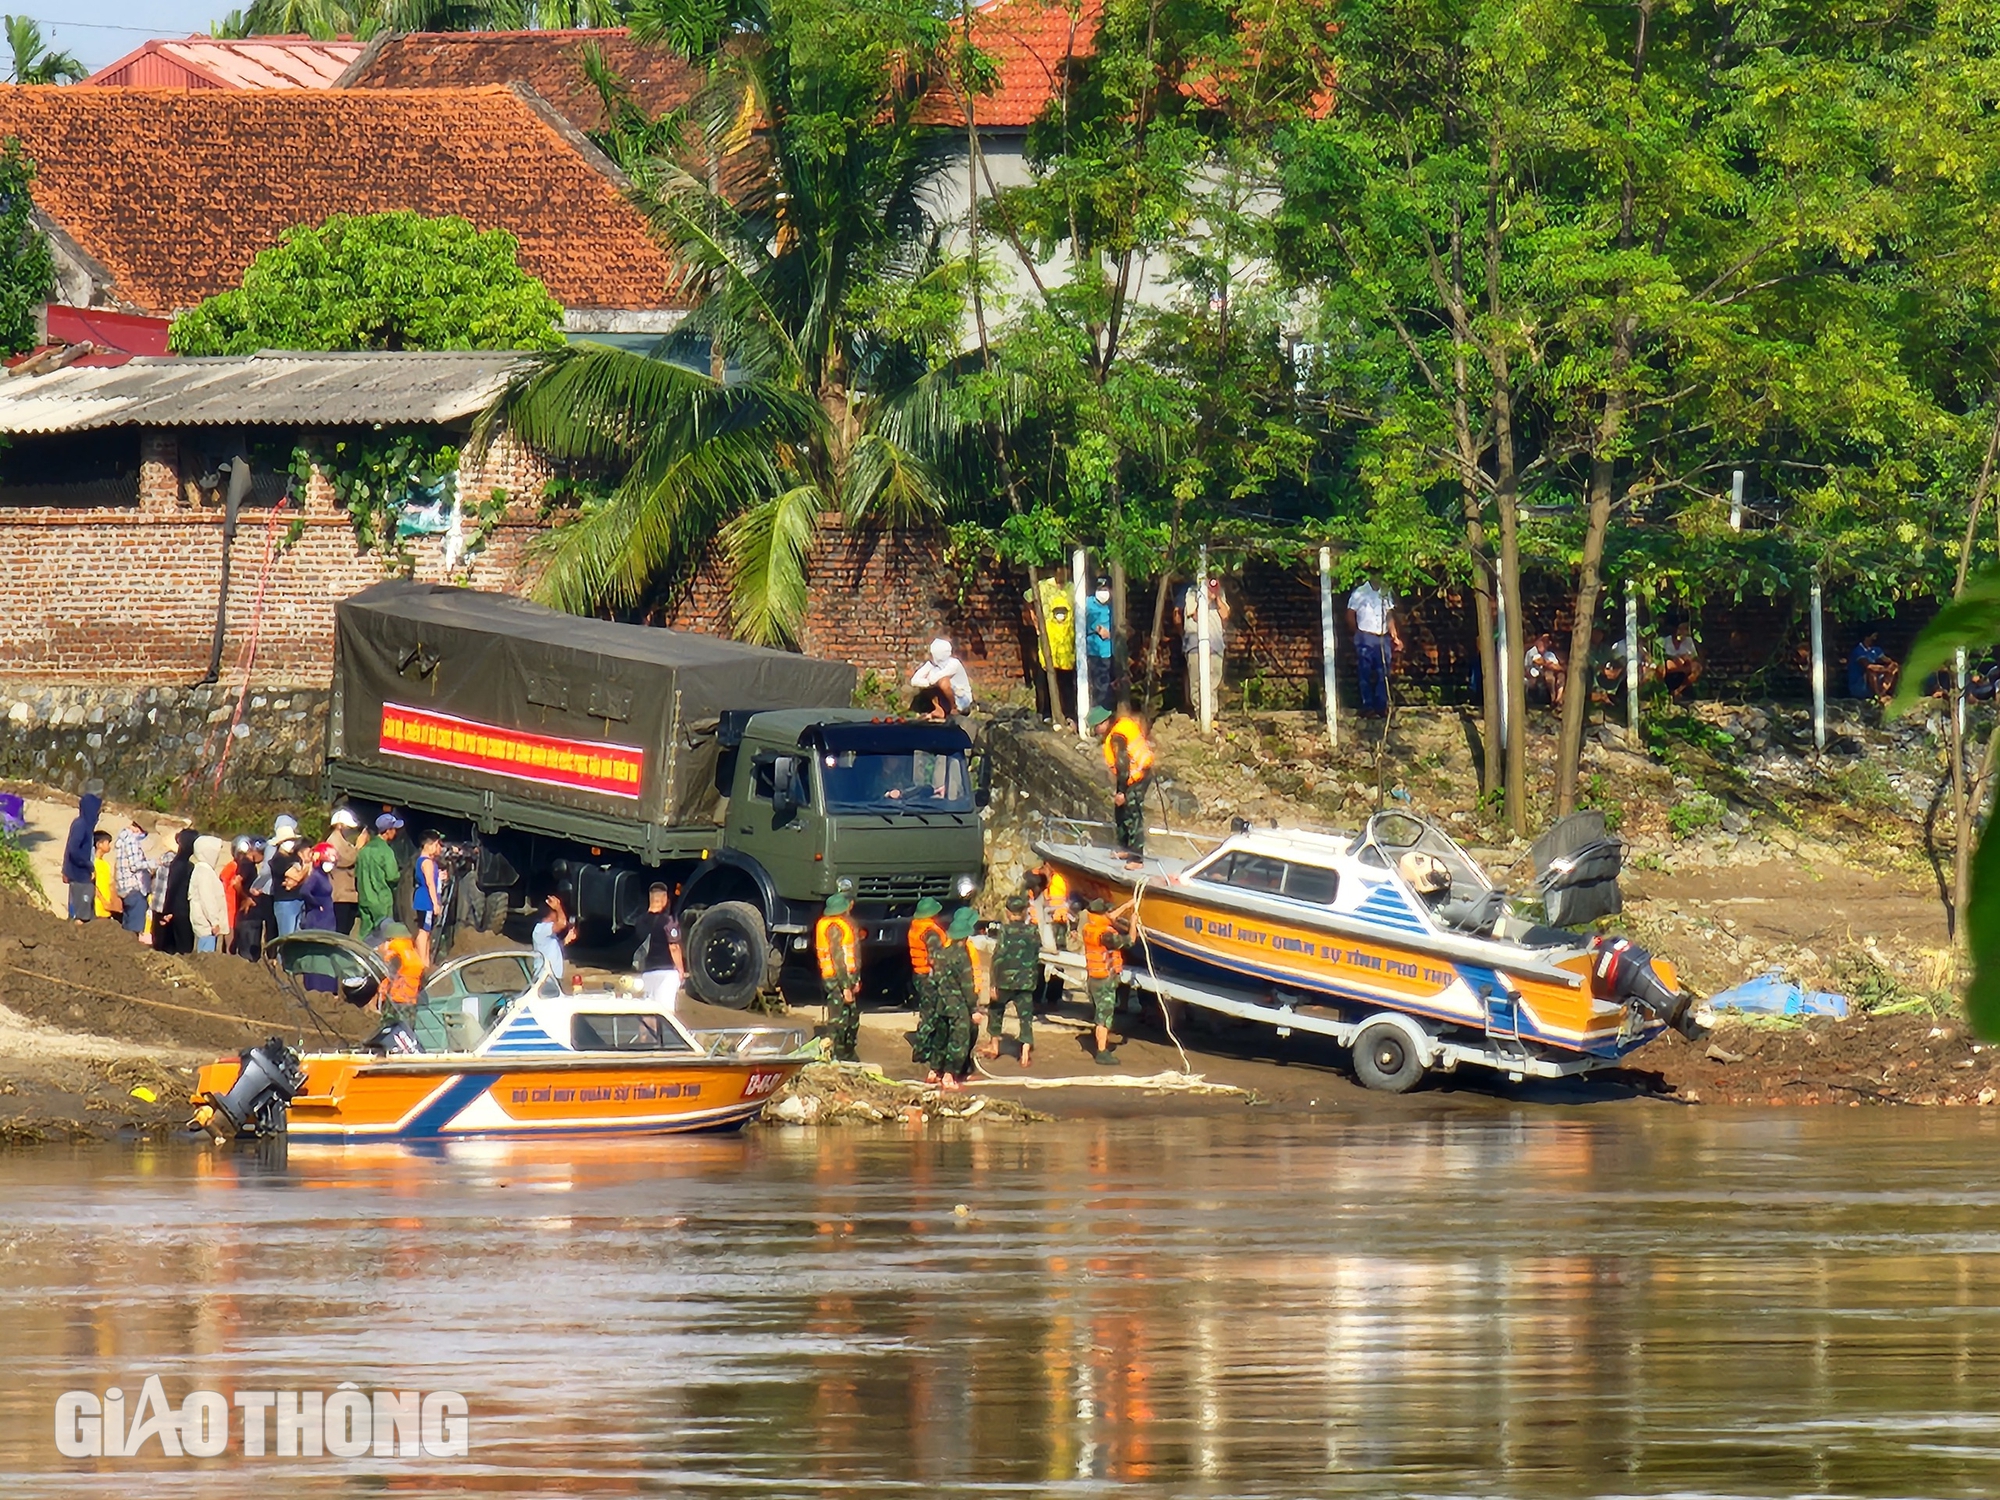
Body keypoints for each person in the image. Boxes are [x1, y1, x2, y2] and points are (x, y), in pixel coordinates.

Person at [983, 893, 1040, 1068]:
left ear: (1007, 912)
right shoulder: (1033, 931)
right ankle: (1024, 1053)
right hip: (1025, 981)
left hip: (1004, 981)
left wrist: (993, 983)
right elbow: (1036, 953)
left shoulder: (1004, 931)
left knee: (996, 1010)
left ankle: (994, 1046)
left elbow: (998, 958)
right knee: (1025, 1017)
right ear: (1025, 912)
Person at [1092, 705, 1154, 857]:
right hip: (1137, 774)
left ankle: (1136, 856)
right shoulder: (1121, 726)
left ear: (1104, 722)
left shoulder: (1116, 737)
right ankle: (1124, 848)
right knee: (1121, 812)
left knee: (1133, 814)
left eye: (1096, 727)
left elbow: (1122, 765)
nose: (1096, 731)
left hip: (1137, 777)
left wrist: (1121, 792)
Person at [1080, 897, 1131, 1065]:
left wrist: (1128, 904)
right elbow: (1129, 942)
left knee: (1100, 1012)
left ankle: (1100, 1043)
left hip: (1093, 978)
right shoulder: (1106, 935)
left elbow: (1109, 917)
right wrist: (1134, 924)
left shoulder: (1089, 928)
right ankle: (1102, 1052)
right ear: (1101, 915)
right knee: (1104, 1016)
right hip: (1104, 980)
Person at [933, 906, 978, 1089]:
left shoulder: (940, 952)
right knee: (959, 1039)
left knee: (941, 1037)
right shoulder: (961, 955)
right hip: (957, 1004)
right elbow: (967, 985)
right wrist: (973, 1008)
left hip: (941, 1001)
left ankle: (935, 1070)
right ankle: (950, 1075)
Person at [1346, 571, 1402, 718]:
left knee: (1383, 671)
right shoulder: (1360, 593)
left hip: (1382, 637)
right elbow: (1350, 614)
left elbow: (1389, 615)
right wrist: (1357, 632)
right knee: (1364, 671)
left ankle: (1381, 705)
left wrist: (1394, 635)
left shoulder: (1385, 591)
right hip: (1366, 635)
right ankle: (1367, 705)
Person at [1025, 566, 1077, 722]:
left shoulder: (1073, 589)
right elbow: (1027, 599)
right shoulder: (1043, 586)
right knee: (1046, 677)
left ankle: (1069, 714)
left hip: (1067, 641)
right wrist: (1034, 621)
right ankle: (1046, 713)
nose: (1063, 572)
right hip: (1049, 639)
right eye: (1060, 569)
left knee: (1066, 682)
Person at [815, 892, 862, 1063]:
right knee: (838, 1020)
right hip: (836, 981)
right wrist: (845, 987)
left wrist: (855, 979)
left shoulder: (842, 924)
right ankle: (834, 1056)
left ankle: (847, 1053)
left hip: (846, 980)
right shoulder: (833, 927)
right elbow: (838, 959)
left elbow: (852, 955)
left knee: (851, 1017)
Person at [1177, 575, 1231, 720]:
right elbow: (1194, 615)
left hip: (1215, 644)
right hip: (1195, 643)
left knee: (1214, 679)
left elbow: (1225, 615)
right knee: (1197, 680)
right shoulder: (1192, 593)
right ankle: (1200, 713)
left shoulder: (1220, 593)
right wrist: (1206, 599)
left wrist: (1218, 598)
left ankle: (1212, 714)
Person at [906, 896, 945, 1073]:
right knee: (931, 1015)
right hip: (929, 977)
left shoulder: (916, 927)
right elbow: (935, 958)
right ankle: (922, 1050)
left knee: (926, 1011)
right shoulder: (930, 932)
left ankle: (922, 1048)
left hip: (919, 974)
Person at [636, 882, 685, 1011]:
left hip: (647, 971)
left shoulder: (640, 921)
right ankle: (666, 1033)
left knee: (648, 1011)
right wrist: (680, 969)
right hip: (666, 971)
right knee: (667, 1012)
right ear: (664, 899)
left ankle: (645, 1032)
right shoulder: (668, 921)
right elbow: (674, 947)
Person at [355, 813, 401, 938]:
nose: (396, 832)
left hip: (364, 899)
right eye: (394, 829)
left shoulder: (363, 850)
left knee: (364, 934)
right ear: (388, 831)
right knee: (384, 936)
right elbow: (392, 876)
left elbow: (357, 873)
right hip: (381, 901)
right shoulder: (386, 851)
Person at [61, 787, 103, 923]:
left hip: (82, 875)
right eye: (97, 811)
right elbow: (73, 849)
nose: (98, 815)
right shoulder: (81, 825)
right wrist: (88, 866)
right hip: (79, 876)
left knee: (87, 913)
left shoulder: (86, 826)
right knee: (81, 915)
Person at [155, 829, 199, 956]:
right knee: (183, 949)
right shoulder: (184, 864)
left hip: (176, 910)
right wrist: (167, 911)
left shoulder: (179, 862)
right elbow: (172, 888)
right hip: (180, 911)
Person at [368, 919, 423, 1015]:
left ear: (391, 939)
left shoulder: (395, 954)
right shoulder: (411, 951)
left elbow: (385, 974)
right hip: (410, 1001)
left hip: (395, 1001)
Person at [188, 836, 233, 954]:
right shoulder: (204, 873)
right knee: (206, 955)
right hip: (206, 924)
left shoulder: (203, 870)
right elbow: (207, 899)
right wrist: (214, 922)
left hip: (205, 922)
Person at [909, 637, 973, 716]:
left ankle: (954, 709)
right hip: (943, 698)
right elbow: (914, 681)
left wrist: (929, 680)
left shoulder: (954, 664)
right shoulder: (931, 664)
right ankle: (940, 711)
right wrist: (929, 682)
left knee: (943, 682)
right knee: (930, 688)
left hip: (961, 700)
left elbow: (936, 679)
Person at [112, 817, 151, 936]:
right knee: (134, 931)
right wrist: (155, 863)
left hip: (125, 888)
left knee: (127, 928)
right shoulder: (131, 840)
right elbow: (135, 865)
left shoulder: (123, 839)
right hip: (134, 888)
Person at [412, 830, 445, 968]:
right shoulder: (427, 863)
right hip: (426, 901)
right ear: (429, 845)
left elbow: (434, 880)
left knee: (427, 930)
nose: (440, 848)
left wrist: (441, 877)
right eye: (437, 844)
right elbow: (430, 883)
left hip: (425, 899)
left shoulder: (429, 862)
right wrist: (435, 903)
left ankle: (425, 959)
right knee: (424, 931)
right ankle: (423, 960)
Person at [1084, 574, 1117, 713]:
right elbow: (1081, 622)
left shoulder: (1114, 605)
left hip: (1109, 652)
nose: (1102, 592)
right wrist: (1097, 629)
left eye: (1105, 588)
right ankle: (1097, 716)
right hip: (1093, 651)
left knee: (1108, 685)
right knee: (1097, 686)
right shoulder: (1087, 603)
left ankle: (1105, 715)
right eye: (1099, 588)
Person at [327, 809, 362, 936]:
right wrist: (358, 847)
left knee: (347, 929)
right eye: (348, 827)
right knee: (340, 931)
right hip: (340, 895)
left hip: (349, 895)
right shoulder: (333, 841)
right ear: (340, 826)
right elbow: (345, 860)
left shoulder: (343, 841)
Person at [268, 815, 303, 938]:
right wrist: (306, 869)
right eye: (288, 841)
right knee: (286, 937)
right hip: (285, 902)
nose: (292, 843)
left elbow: (299, 877)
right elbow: (297, 876)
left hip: (298, 899)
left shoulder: (294, 857)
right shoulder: (277, 860)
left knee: (297, 937)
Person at [1848, 628, 1900, 702]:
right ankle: (1878, 695)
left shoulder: (1876, 650)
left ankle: (1885, 693)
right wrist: (1886, 669)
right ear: (1866, 637)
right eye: (1874, 636)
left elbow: (1888, 660)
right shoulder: (1858, 651)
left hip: (1872, 683)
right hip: (1859, 685)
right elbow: (1869, 666)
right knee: (1871, 671)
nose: (1875, 639)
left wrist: (1892, 666)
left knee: (1895, 668)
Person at [532, 894, 573, 983]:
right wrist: (558, 907)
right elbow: (562, 923)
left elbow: (551, 948)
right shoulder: (540, 929)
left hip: (552, 979)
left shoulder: (548, 932)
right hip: (544, 979)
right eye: (556, 913)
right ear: (551, 914)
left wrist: (566, 940)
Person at [1526, 631, 1566, 710]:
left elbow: (1557, 667)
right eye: (1542, 641)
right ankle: (1552, 699)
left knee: (1561, 675)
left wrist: (1558, 667)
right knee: (1549, 675)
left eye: (1546, 642)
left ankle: (1558, 700)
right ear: (1537, 641)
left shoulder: (1549, 654)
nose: (1544, 644)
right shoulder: (1532, 652)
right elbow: (1539, 661)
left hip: (1545, 678)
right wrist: (1549, 664)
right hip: (1533, 679)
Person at [1661, 623, 1703, 700]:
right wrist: (1674, 658)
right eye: (1680, 630)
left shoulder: (1688, 641)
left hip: (1684, 665)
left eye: (1685, 630)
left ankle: (1678, 690)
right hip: (1670, 664)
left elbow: (1694, 656)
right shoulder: (1666, 640)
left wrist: (1687, 658)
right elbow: (1662, 654)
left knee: (1697, 668)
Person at [91, 831, 116, 922]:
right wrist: (102, 900)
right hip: (97, 907)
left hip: (106, 907)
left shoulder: (105, 863)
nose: (109, 845)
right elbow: (92, 884)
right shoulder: (93, 863)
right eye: (107, 843)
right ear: (99, 844)